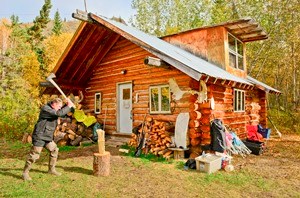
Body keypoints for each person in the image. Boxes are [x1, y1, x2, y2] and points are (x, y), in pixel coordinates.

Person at [22, 98, 75, 181]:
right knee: (34, 155)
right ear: (53, 104)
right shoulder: (46, 109)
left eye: (61, 107)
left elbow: (60, 112)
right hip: (40, 135)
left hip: (47, 136)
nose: (60, 108)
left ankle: (51, 170)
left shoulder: (54, 109)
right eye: (59, 106)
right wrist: (68, 106)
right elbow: (58, 113)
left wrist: (68, 105)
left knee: (54, 149)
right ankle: (25, 173)